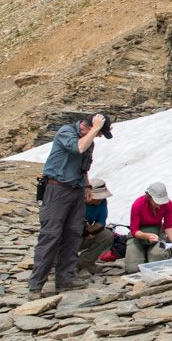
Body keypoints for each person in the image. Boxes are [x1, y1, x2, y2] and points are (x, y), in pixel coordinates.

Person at [30, 113, 112, 297]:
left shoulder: (89, 140)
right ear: (89, 126)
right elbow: (78, 148)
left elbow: (83, 167)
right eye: (98, 132)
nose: (98, 136)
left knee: (73, 234)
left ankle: (65, 279)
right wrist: (96, 129)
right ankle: (36, 284)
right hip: (57, 188)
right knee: (51, 235)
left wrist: (87, 185)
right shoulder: (66, 132)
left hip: (76, 190)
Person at [126, 182, 172, 273]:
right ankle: (143, 255)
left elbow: (168, 226)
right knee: (132, 269)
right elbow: (134, 230)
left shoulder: (168, 204)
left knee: (156, 260)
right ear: (149, 197)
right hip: (139, 233)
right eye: (157, 202)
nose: (160, 205)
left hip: (157, 231)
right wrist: (146, 236)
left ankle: (164, 252)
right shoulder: (138, 204)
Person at [79, 178, 116, 274]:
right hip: (71, 234)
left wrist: (89, 231)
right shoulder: (77, 201)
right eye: (98, 197)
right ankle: (63, 262)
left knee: (107, 235)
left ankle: (86, 261)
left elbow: (100, 223)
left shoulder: (102, 202)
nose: (101, 200)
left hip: (85, 232)